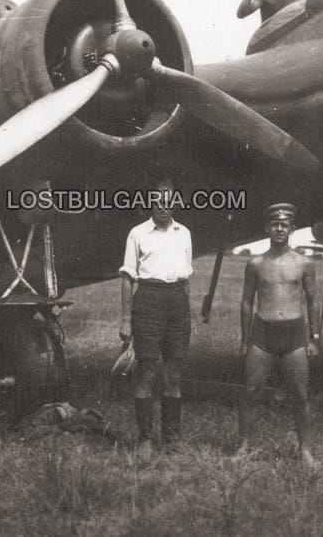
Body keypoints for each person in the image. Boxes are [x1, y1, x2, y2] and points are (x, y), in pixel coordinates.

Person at [237, 203, 320, 465]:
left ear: (292, 229)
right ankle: (245, 445)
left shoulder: (304, 263)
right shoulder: (255, 264)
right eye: (275, 224)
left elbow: (312, 301)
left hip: (294, 334)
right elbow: (247, 301)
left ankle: (305, 449)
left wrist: (314, 339)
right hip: (262, 333)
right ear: (267, 228)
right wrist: (244, 339)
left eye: (284, 225)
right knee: (250, 391)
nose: (279, 229)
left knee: (300, 394)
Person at [119, 179, 193, 456]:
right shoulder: (138, 233)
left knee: (173, 374)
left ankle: (172, 439)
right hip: (148, 299)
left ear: (175, 202)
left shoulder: (183, 233)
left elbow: (186, 278)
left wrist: (188, 314)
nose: (163, 206)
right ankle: (145, 439)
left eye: (169, 201)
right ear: (150, 203)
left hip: (177, 302)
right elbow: (127, 278)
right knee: (146, 371)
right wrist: (126, 319)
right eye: (158, 201)